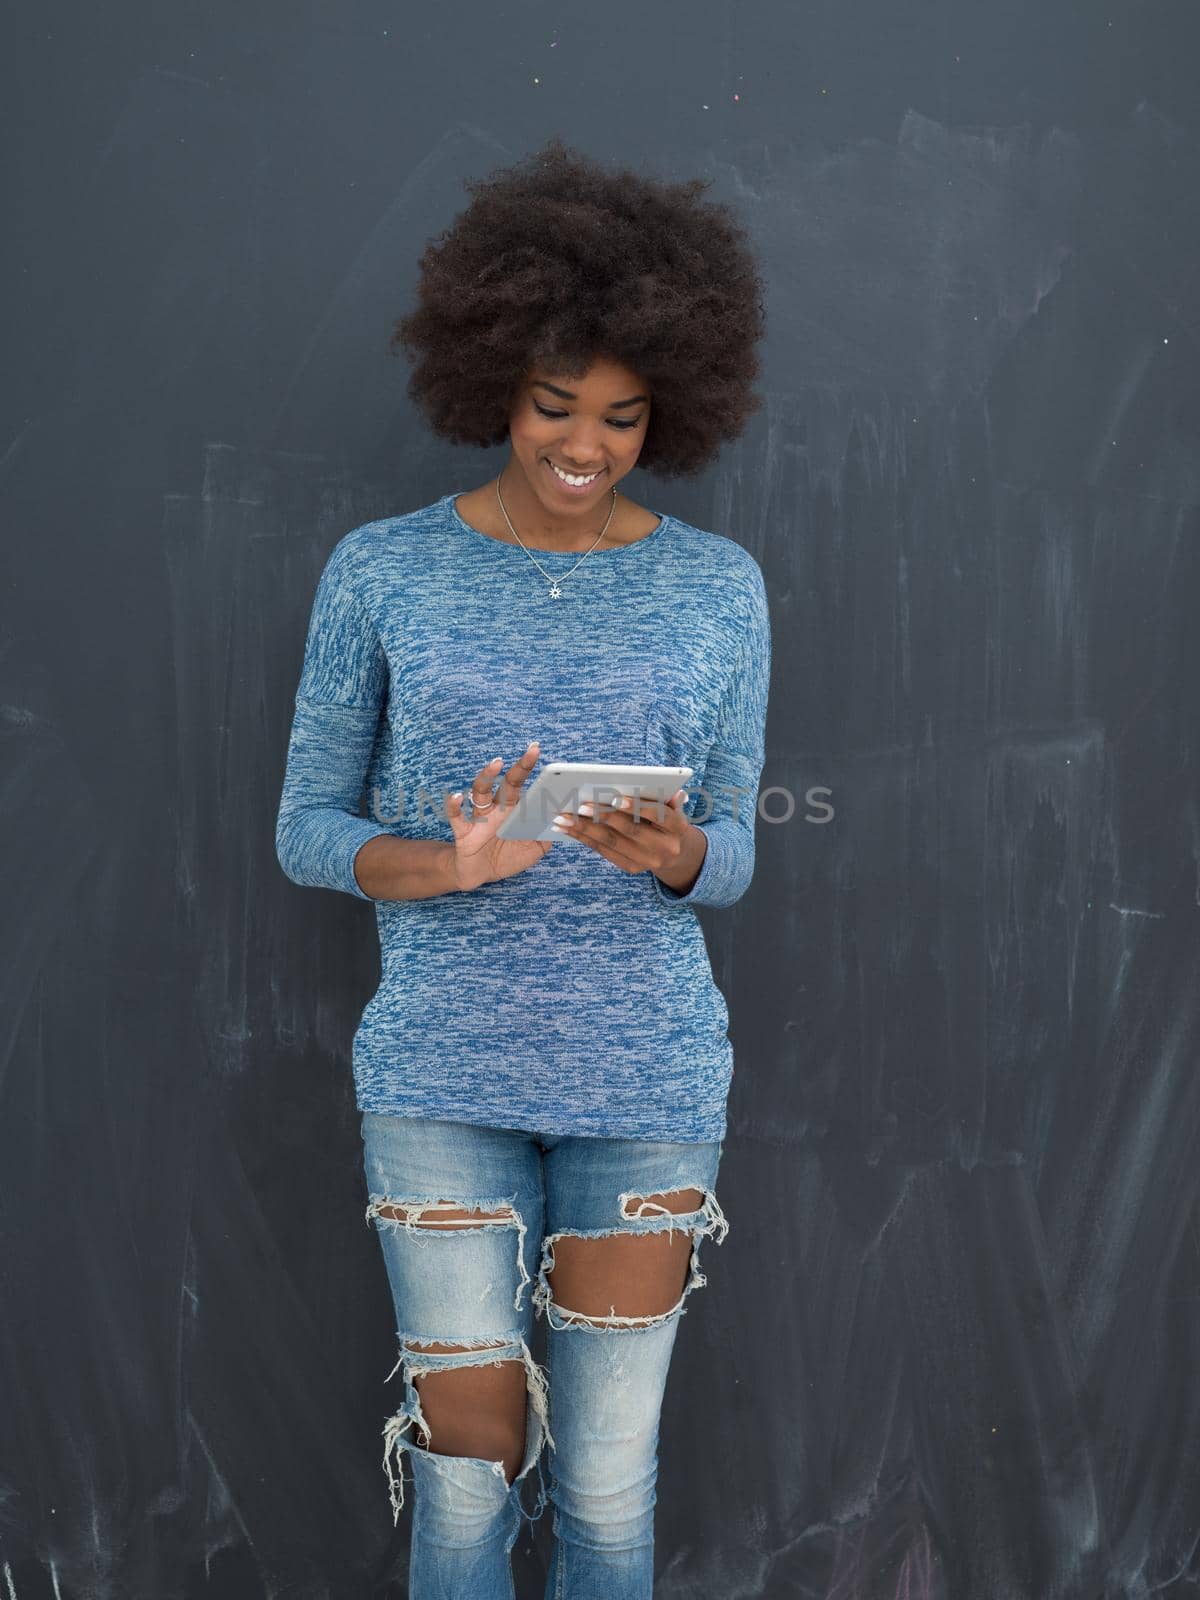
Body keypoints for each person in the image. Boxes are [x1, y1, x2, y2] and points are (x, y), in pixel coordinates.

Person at [274, 136, 772, 1599]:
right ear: (491, 378)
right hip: (440, 1079)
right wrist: (448, 864)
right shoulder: (381, 571)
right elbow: (305, 825)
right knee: (466, 1482)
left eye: (623, 418)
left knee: (611, 1492)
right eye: (557, 405)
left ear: (666, 412)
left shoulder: (717, 587)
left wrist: (686, 856)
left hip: (648, 1086)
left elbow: (736, 844)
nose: (585, 445)